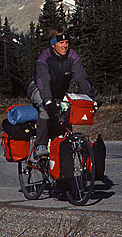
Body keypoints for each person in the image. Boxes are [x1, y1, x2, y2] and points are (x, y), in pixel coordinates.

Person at [27, 27, 94, 158]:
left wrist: (90, 98)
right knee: (45, 109)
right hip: (38, 88)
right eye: (61, 43)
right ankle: (40, 145)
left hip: (59, 92)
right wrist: (48, 100)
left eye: (67, 42)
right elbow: (43, 81)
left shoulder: (73, 56)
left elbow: (81, 79)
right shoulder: (45, 57)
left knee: (66, 112)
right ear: (53, 44)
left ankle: (63, 144)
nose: (65, 45)